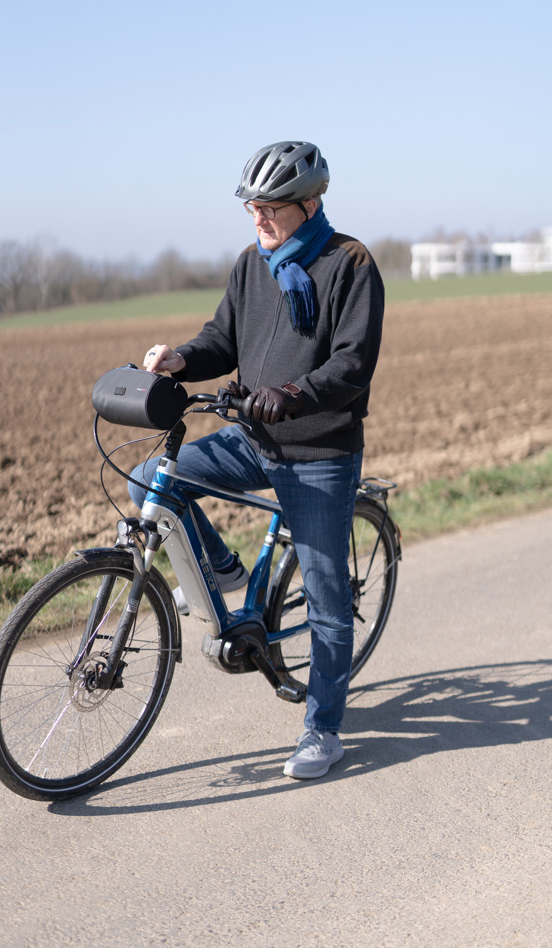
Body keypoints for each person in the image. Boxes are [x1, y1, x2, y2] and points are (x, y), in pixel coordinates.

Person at [130, 140, 384, 779]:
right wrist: (182, 359)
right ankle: (222, 572)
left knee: (327, 600)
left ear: (310, 204)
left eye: (271, 206)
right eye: (252, 207)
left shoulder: (350, 263)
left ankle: (323, 729)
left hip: (320, 452)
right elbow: (222, 339)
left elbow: (351, 365)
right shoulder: (252, 264)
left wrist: (293, 393)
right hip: (253, 438)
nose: (259, 218)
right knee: (149, 481)